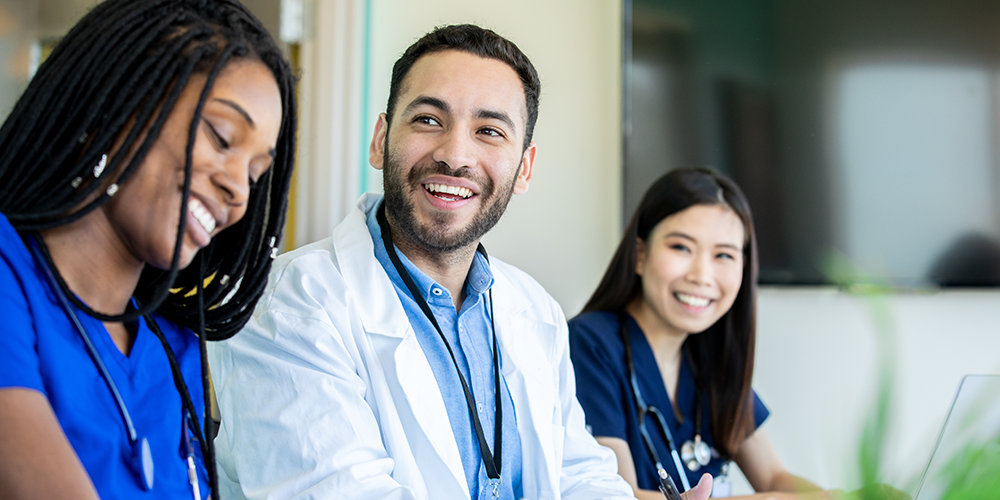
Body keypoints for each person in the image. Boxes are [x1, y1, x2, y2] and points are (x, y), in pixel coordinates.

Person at [208, 24, 706, 500]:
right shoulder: (286, 304)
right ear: (382, 140)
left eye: (489, 131)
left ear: (524, 168)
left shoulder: (534, 310)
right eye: (428, 120)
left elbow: (575, 472)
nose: (455, 155)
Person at [0, 0, 296, 498]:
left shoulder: (171, 346)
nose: (238, 191)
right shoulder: (10, 278)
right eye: (222, 137)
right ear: (119, 102)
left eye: (254, 174)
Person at [570, 169, 828, 500]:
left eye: (723, 255)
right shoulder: (589, 344)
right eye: (681, 247)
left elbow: (774, 478)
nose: (702, 276)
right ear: (640, 255)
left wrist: (849, 495)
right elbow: (620, 495)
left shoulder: (711, 359)